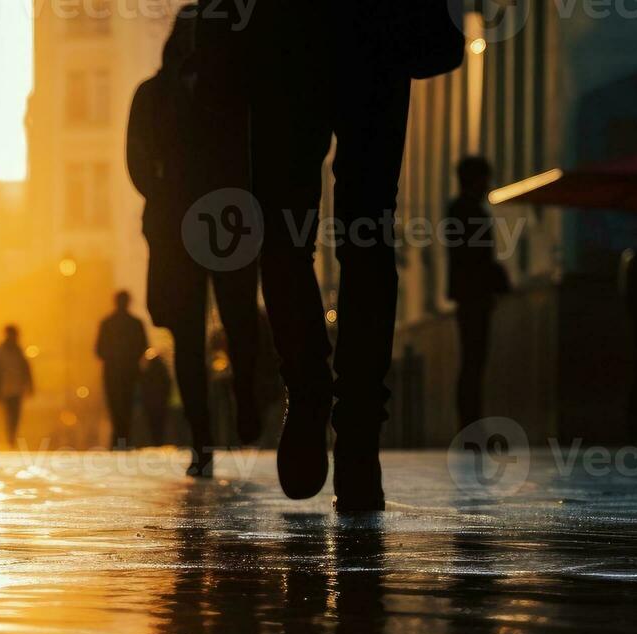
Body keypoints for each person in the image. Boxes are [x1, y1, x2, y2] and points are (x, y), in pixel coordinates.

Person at [243, 0, 463, 509]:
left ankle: (312, 390)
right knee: (364, 234)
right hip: (373, 31)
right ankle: (356, 432)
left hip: (286, 34)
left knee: (287, 232)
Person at [127, 6, 261, 476]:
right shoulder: (155, 94)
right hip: (185, 221)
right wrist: (162, 194)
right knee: (189, 334)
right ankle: (203, 440)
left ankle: (243, 402)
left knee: (238, 320)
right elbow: (137, 160)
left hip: (225, 218)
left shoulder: (233, 89)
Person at [447, 156, 509, 432]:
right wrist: (495, 280)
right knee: (474, 361)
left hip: (468, 295)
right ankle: (471, 425)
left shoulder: (459, 210)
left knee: (471, 361)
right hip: (475, 296)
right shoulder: (469, 211)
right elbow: (475, 258)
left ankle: (470, 424)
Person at [95, 291, 150, 450]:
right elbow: (142, 346)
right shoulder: (135, 323)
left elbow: (99, 350)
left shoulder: (107, 323)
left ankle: (119, 438)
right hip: (129, 371)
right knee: (126, 404)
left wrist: (112, 358)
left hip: (112, 372)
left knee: (115, 404)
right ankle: (124, 438)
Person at [0, 324, 32, 448]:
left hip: (16, 389)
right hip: (3, 389)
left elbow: (26, 370)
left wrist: (29, 385)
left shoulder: (19, 352)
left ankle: (10, 439)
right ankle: (6, 439)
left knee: (14, 415)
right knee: (5, 415)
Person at [139, 349, 173, 446]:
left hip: (153, 402)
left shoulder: (146, 372)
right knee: (159, 423)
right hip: (159, 401)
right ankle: (158, 442)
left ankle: (156, 442)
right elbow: (168, 383)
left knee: (154, 423)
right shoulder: (161, 370)